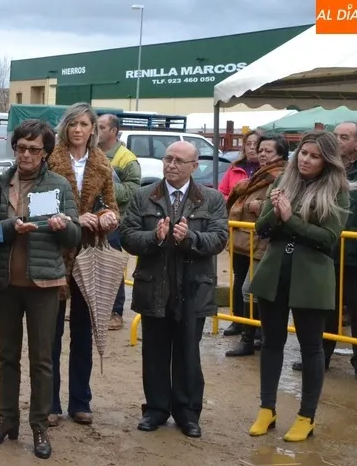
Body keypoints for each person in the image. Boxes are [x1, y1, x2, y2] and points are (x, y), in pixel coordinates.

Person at [0, 119, 82, 459]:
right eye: (21, 147)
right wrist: (10, 227)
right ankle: (7, 420)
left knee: (41, 359)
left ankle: (39, 426)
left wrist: (62, 225)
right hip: (6, 282)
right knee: (7, 356)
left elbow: (76, 235)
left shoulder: (59, 185)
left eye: (34, 149)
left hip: (44, 283)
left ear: (46, 153)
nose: (26, 154)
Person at [248, 130, 353, 441]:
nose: (306, 160)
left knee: (311, 348)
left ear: (327, 161)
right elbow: (262, 227)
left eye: (314, 156)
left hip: (312, 279)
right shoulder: (284, 182)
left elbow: (328, 239)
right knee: (270, 342)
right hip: (274, 274)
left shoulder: (338, 191)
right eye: (303, 153)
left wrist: (289, 218)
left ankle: (306, 416)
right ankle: (267, 408)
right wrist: (276, 216)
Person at [119, 140, 228, 438]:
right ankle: (155, 409)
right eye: (168, 159)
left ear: (194, 166)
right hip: (154, 286)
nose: (171, 165)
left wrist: (191, 238)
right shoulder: (144, 195)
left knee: (187, 353)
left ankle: (188, 412)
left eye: (179, 161)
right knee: (154, 352)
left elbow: (220, 238)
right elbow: (127, 236)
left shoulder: (212, 198)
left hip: (193, 288)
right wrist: (154, 236)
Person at [46, 103, 119, 426]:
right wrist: (75, 218)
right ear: (66, 127)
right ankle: (49, 402)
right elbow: (41, 206)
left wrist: (107, 218)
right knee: (50, 331)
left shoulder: (102, 164)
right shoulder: (50, 159)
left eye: (85, 124)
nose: (78, 130)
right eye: (73, 124)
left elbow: (110, 207)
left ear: (94, 130)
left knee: (83, 332)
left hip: (88, 254)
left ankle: (80, 400)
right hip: (54, 252)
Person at [290, 121, 357, 384]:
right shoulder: (322, 168)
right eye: (335, 135)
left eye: (344, 136)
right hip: (322, 251)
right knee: (324, 308)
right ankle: (320, 357)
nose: (337, 140)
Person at [224, 132, 288, 357]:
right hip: (249, 239)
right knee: (250, 289)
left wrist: (259, 207)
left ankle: (255, 338)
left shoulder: (282, 176)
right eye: (260, 150)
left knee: (252, 290)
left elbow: (281, 207)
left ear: (280, 154)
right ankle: (252, 338)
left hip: (267, 241)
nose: (262, 154)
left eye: (267, 151)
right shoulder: (256, 175)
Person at [97, 114, 140, 331]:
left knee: (111, 267)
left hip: (114, 221)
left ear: (114, 131)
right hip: (91, 220)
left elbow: (133, 191)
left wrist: (103, 185)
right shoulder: (91, 152)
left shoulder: (126, 158)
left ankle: (115, 312)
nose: (97, 130)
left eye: (102, 127)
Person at [219, 130, 262, 338]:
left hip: (260, 233)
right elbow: (223, 192)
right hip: (238, 230)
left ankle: (255, 324)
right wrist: (238, 204)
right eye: (249, 143)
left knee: (256, 280)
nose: (252, 148)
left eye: (257, 144)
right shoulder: (235, 169)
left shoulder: (268, 171)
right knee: (240, 276)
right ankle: (238, 320)